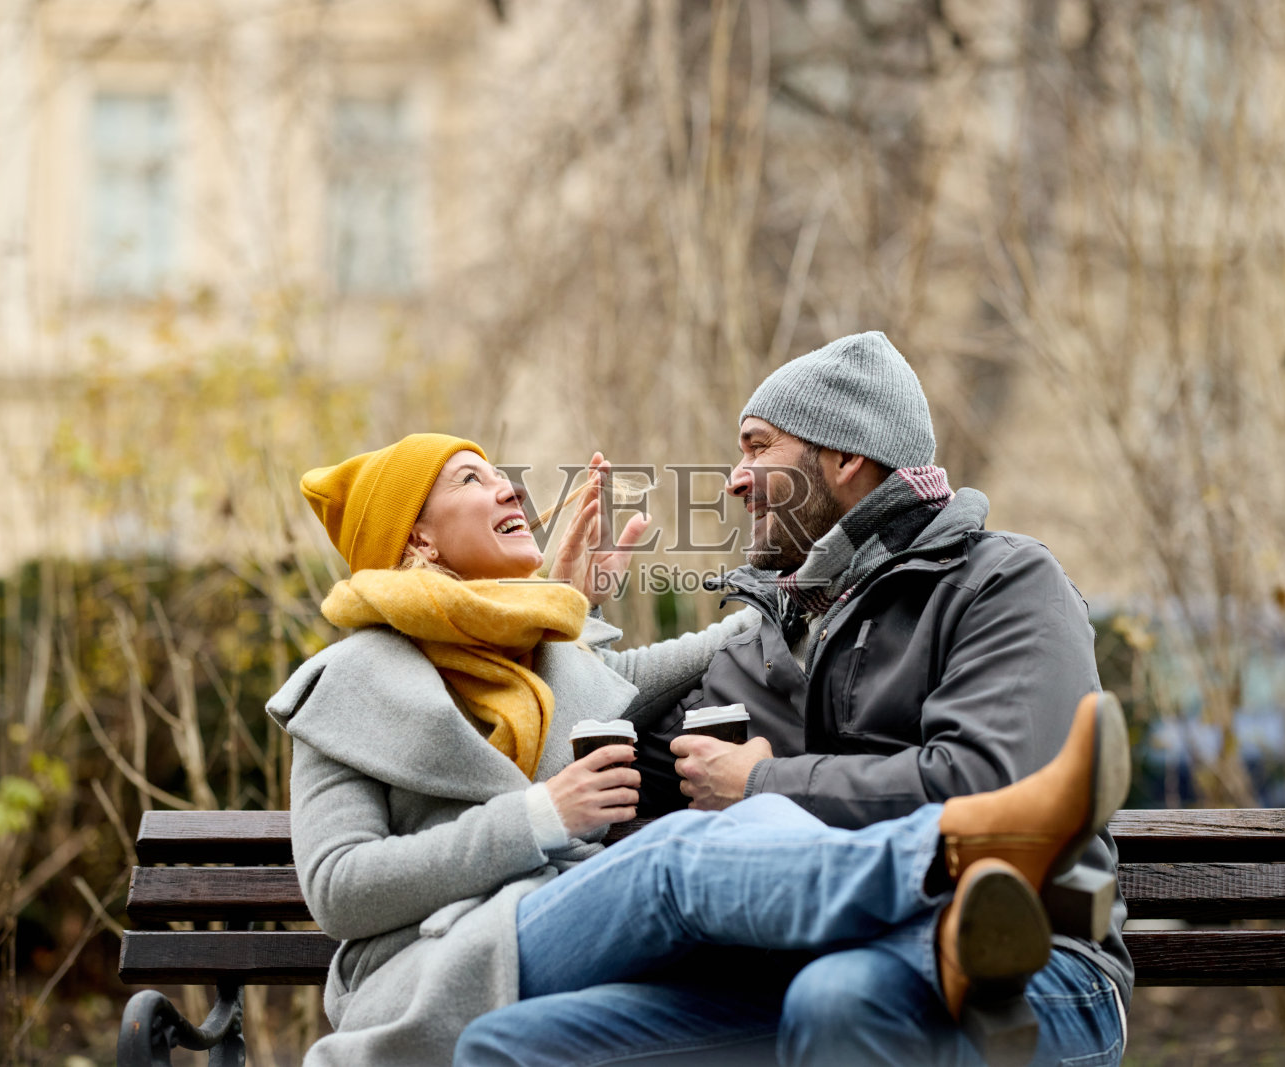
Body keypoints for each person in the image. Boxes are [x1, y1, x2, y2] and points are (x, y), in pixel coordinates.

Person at [269, 430, 1128, 1067]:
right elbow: (340, 889)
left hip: (551, 952)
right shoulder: (348, 684)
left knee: (516, 1046)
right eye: (471, 479)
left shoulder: (544, 658)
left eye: (503, 474)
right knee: (682, 855)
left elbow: (716, 645)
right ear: (415, 537)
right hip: (434, 966)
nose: (510, 491)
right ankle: (964, 847)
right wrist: (538, 815)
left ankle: (952, 893)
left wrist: (813, 580)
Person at [455, 332, 1133, 1066]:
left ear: (845, 458)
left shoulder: (1000, 583)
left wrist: (759, 782)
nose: (734, 479)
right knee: (513, 1045)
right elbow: (585, 766)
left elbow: (993, 783)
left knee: (843, 998)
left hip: (1028, 967)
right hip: (786, 968)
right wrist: (566, 623)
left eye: (758, 447)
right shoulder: (752, 645)